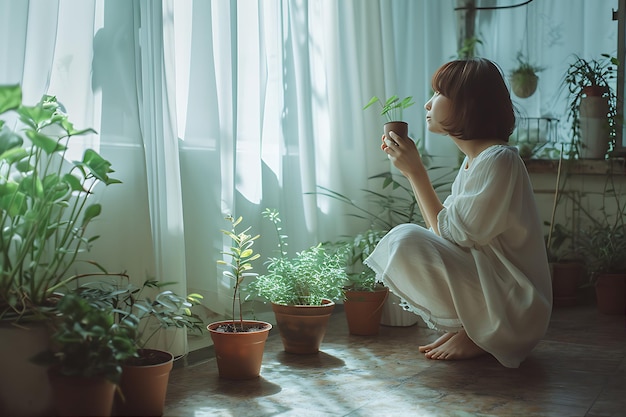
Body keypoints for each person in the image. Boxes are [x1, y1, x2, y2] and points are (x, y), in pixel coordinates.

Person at [363, 58, 552, 368]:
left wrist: (417, 173)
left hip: (517, 308)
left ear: (467, 104)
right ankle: (472, 328)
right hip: (498, 292)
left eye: (438, 94)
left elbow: (452, 235)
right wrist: (413, 173)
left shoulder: (499, 160)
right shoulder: (475, 162)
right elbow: (445, 234)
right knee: (408, 240)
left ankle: (486, 334)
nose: (427, 103)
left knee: (406, 239)